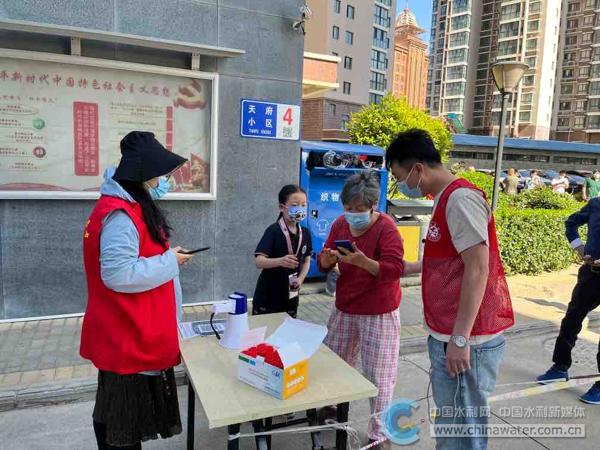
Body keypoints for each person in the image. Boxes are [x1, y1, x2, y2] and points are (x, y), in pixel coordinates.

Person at [386, 129, 514, 450]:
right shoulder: (445, 198)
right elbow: (453, 258)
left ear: (418, 169)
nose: (402, 185)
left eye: (399, 177)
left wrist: (459, 339)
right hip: (450, 333)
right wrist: (412, 267)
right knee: (452, 424)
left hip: (467, 339)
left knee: (463, 429)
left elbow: (478, 268)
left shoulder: (460, 200)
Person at [80, 131, 193, 450]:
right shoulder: (120, 215)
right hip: (125, 333)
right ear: (143, 175)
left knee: (118, 414)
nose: (161, 181)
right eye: (158, 175)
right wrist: (170, 261)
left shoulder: (124, 207)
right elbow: (118, 274)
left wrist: (168, 259)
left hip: (125, 330)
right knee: (122, 423)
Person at [318, 171, 420, 450]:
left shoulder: (387, 228)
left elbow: (395, 269)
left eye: (359, 209)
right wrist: (325, 260)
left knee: (379, 374)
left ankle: (379, 433)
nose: (352, 214)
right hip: (345, 307)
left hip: (379, 311)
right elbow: (325, 261)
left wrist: (364, 262)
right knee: (335, 363)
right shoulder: (340, 224)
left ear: (373, 205)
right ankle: (333, 407)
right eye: (348, 207)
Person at [536, 197, 600, 403]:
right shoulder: (596, 204)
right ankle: (560, 366)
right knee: (571, 320)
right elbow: (571, 223)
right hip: (591, 276)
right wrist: (579, 248)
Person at [253, 185, 312, 318]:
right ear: (282, 207)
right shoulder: (273, 231)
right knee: (267, 329)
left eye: (303, 205)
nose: (300, 209)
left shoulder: (306, 233)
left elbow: (307, 260)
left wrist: (300, 279)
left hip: (292, 293)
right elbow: (258, 261)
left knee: (289, 327)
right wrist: (280, 261)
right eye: (295, 205)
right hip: (269, 294)